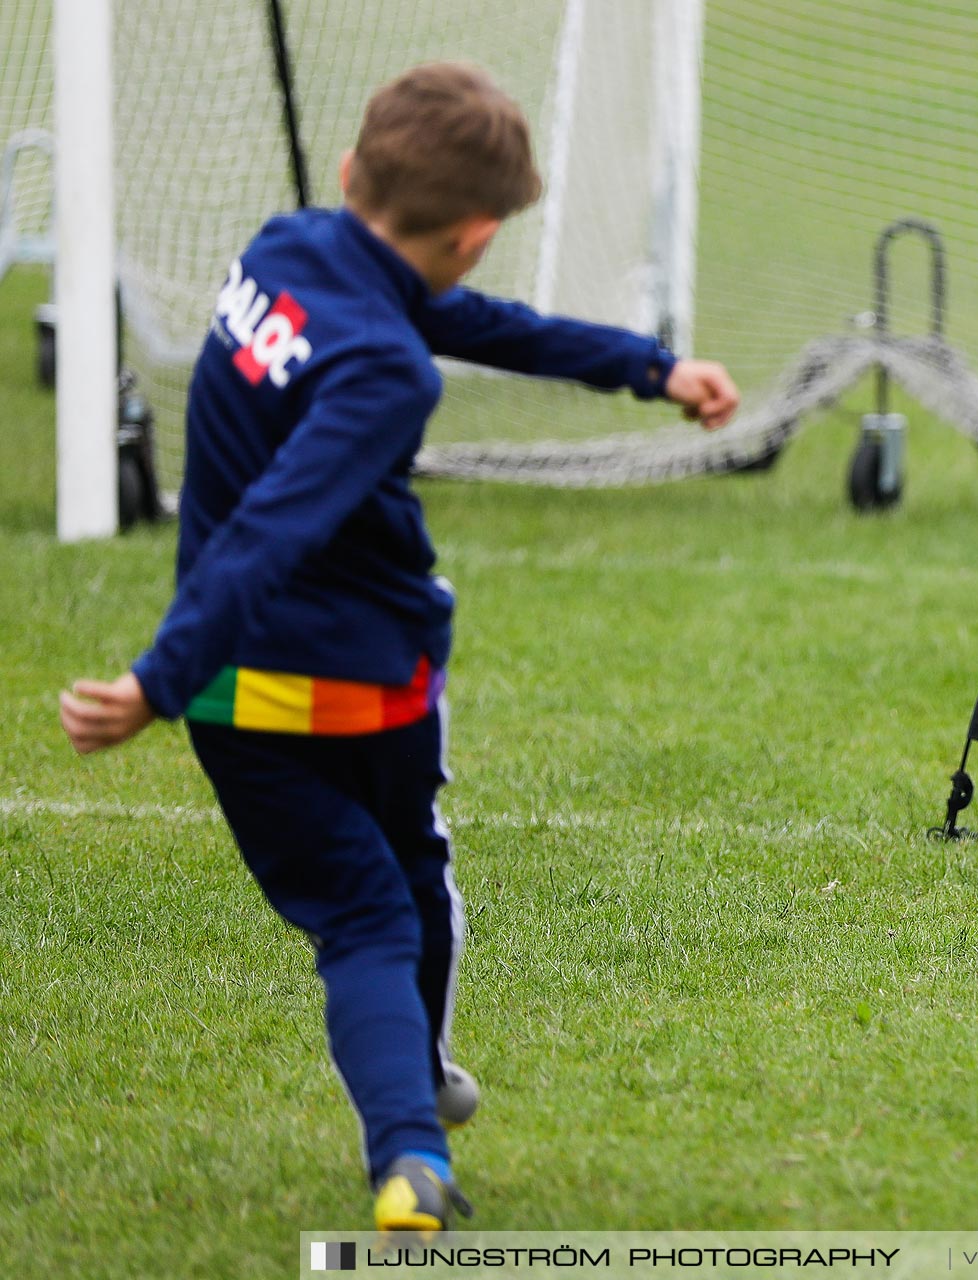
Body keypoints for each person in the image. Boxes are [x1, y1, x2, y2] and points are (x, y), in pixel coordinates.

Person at [56, 62, 739, 1232]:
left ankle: (409, 1087)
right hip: (361, 682)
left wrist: (645, 366)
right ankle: (411, 1141)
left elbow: (479, 327)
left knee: (361, 905)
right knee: (398, 897)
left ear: (346, 175)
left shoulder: (281, 250)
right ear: (475, 235)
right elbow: (280, 521)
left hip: (233, 698)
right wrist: (148, 682)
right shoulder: (385, 371)